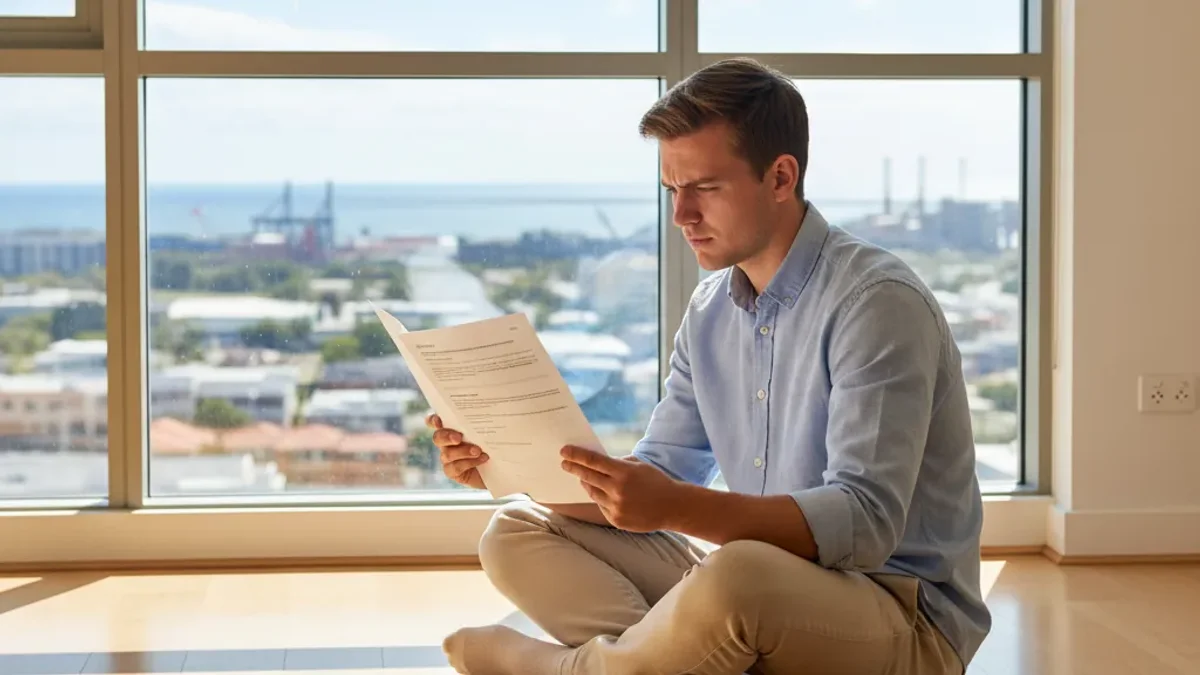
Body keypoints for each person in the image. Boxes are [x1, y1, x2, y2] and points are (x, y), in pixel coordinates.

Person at [427, 57, 990, 675]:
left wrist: (672, 507)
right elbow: (659, 473)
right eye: (673, 190)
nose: (681, 216)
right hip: (762, 591)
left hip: (900, 615)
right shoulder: (710, 309)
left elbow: (864, 522)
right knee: (516, 530)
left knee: (738, 575)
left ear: (780, 176)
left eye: (705, 188)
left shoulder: (877, 302)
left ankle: (572, 670)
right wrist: (506, 466)